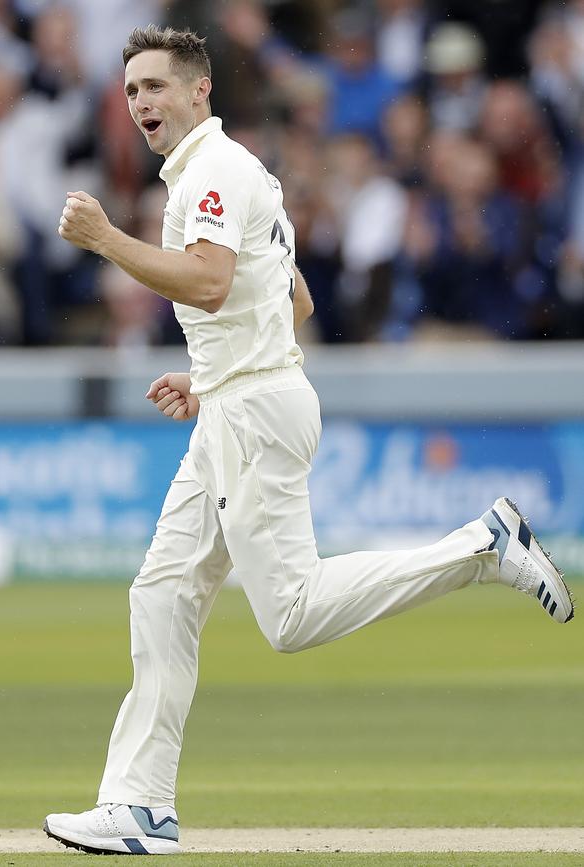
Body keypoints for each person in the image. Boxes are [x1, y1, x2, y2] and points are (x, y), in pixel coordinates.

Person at [44, 25, 574, 856]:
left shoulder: (214, 171)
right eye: (132, 90)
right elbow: (292, 301)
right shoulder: (232, 170)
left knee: (288, 616)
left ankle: (482, 543)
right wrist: (208, 376)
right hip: (239, 403)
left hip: (253, 414)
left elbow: (215, 282)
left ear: (199, 91)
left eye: (156, 86)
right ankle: (138, 805)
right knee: (162, 593)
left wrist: (108, 240)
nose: (141, 102)